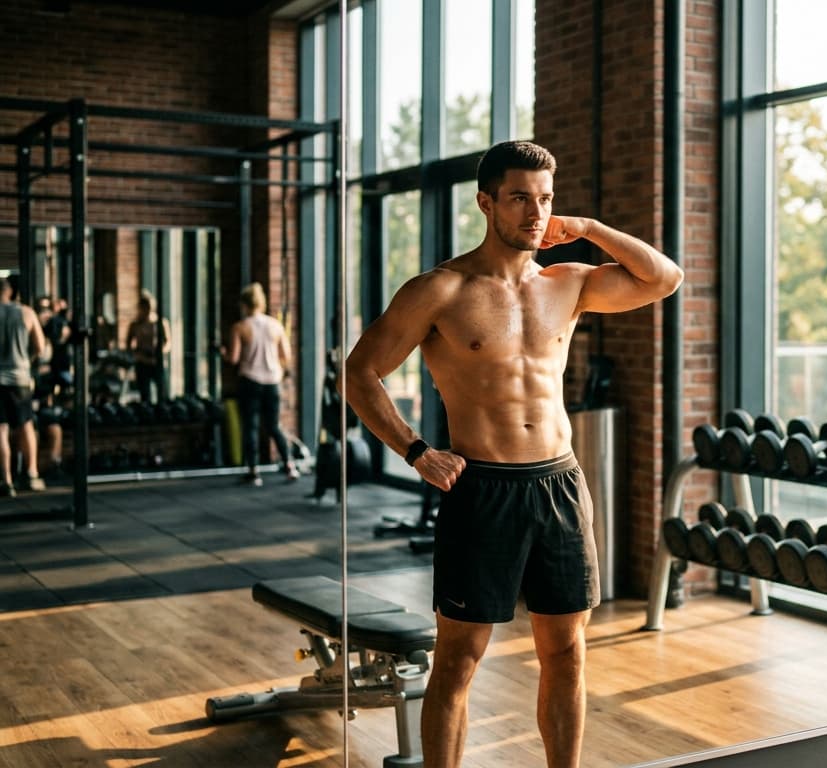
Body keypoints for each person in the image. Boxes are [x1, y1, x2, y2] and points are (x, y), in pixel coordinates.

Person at [343, 140, 682, 767]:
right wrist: (417, 452)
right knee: (460, 660)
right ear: (486, 202)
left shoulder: (569, 284)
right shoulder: (440, 290)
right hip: (484, 491)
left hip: (558, 483)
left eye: (546, 199)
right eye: (521, 197)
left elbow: (663, 278)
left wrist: (585, 229)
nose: (535, 211)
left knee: (566, 653)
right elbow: (359, 374)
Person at [221, 282, 298, 486]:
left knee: (251, 426)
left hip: (250, 380)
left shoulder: (240, 327)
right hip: (272, 381)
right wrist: (275, 367)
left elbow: (234, 358)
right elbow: (286, 356)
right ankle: (290, 466)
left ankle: (254, 472)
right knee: (274, 426)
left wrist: (222, 352)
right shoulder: (275, 325)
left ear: (244, 305)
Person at [0, 275, 49, 496]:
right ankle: (31, 473)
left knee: (1, 429)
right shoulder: (26, 313)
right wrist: (26, 360)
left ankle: (6, 480)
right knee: (26, 425)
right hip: (19, 378)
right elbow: (40, 346)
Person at [126, 289, 170, 404]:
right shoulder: (135, 324)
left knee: (162, 392)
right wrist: (137, 355)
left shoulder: (160, 323)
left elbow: (168, 342)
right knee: (145, 394)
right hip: (142, 361)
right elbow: (128, 344)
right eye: (144, 307)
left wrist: (160, 351)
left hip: (156, 360)